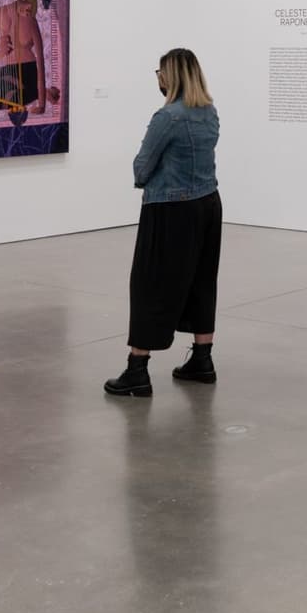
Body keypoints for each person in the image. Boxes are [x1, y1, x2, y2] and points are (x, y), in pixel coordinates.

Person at [104, 48, 222, 398]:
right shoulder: (209, 112)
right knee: (202, 281)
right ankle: (202, 360)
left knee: (150, 284)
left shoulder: (167, 117)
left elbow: (142, 167)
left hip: (170, 209)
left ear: (170, 76)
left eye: (160, 71)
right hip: (208, 204)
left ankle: (137, 369)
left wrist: (145, 178)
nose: (158, 77)